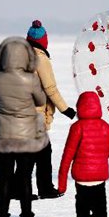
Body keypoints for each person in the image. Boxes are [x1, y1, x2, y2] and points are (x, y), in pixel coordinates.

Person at [0, 37, 48, 217]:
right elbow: (40, 100)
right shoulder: (31, 79)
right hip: (26, 134)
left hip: (2, 134)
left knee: (4, 177)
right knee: (24, 178)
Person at [24, 20, 76, 199]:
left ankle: (22, 188)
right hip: (35, 113)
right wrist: (66, 109)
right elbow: (50, 88)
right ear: (43, 40)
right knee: (42, 152)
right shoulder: (40, 57)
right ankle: (44, 188)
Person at [58, 91, 109, 217]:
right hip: (100, 171)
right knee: (100, 198)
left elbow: (68, 154)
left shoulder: (77, 127)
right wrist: (101, 159)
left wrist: (61, 183)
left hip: (82, 172)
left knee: (83, 199)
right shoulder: (105, 126)